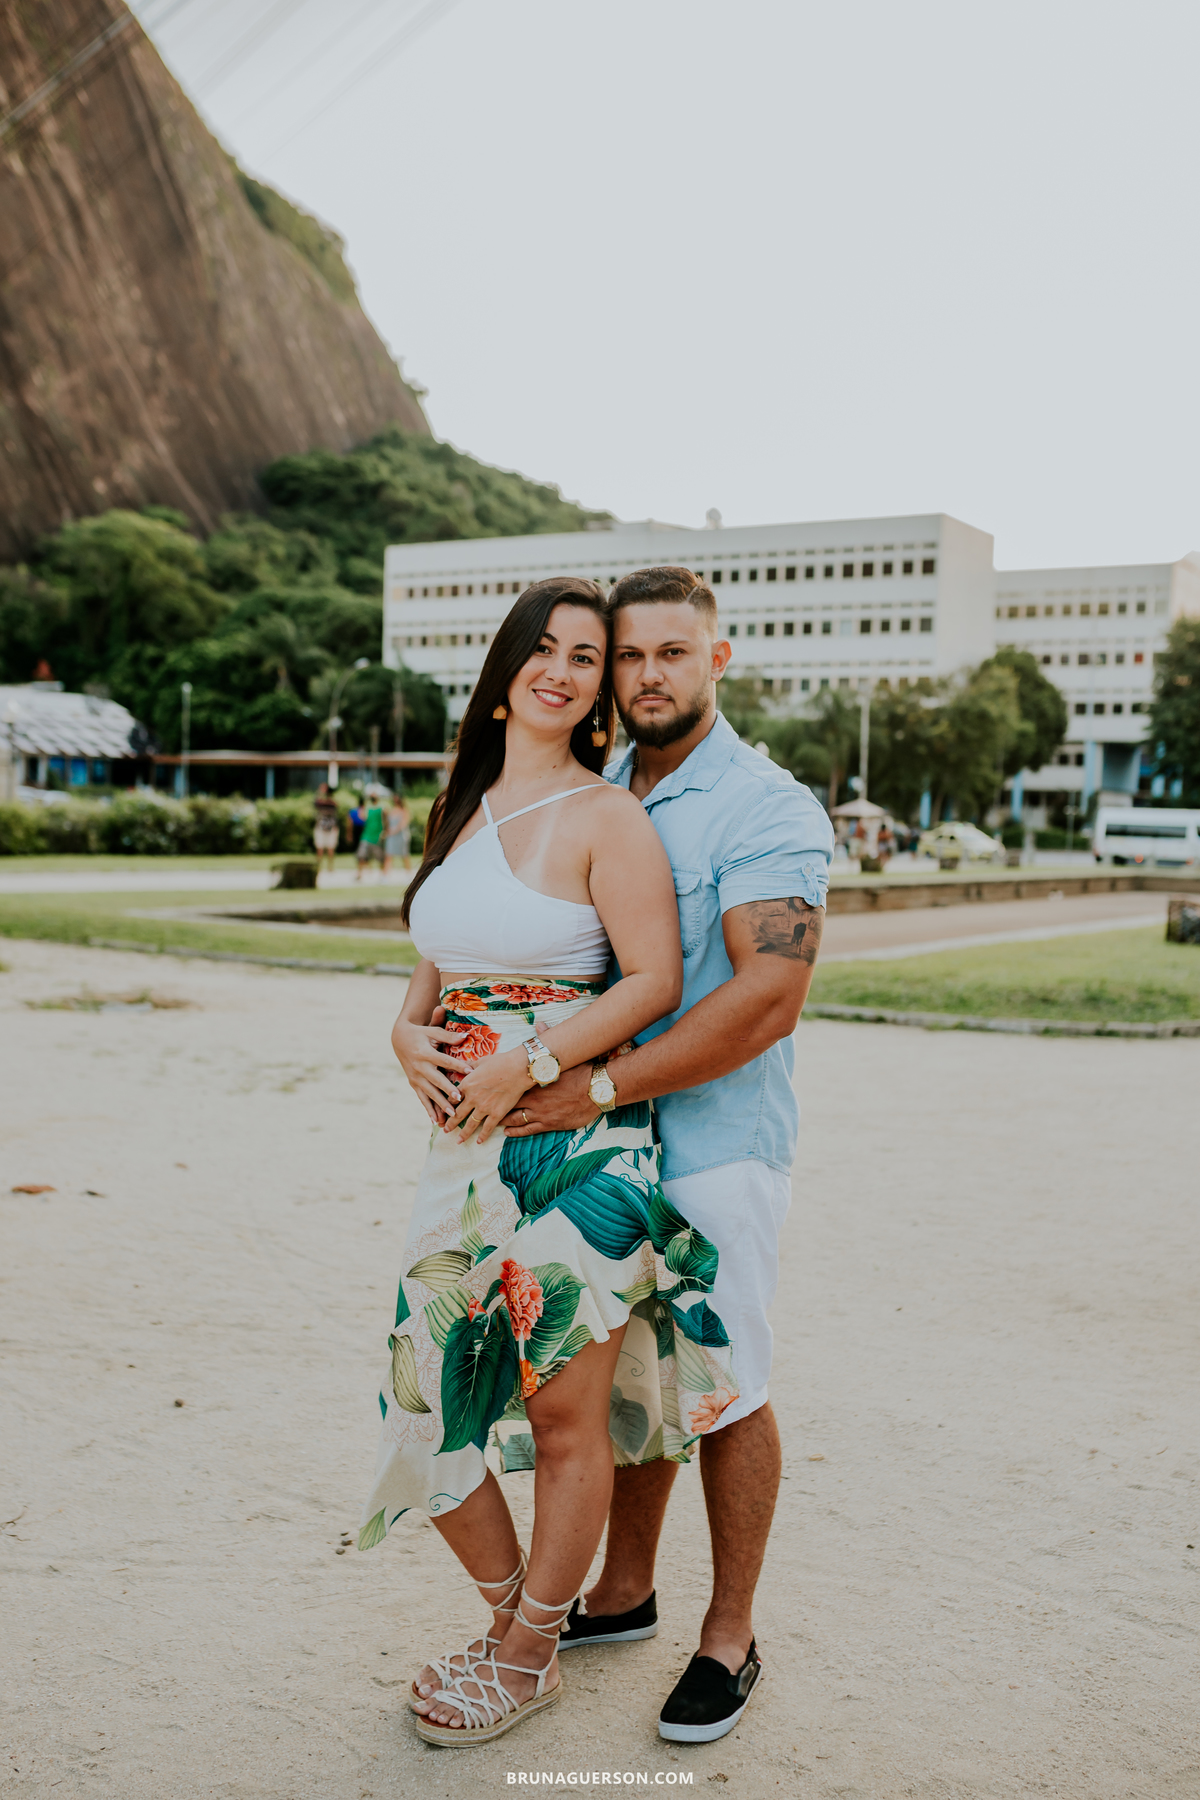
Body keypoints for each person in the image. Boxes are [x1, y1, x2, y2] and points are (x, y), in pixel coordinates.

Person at [362, 577, 738, 1748]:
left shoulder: (604, 816)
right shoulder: (461, 806)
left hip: (578, 1146)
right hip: (462, 1148)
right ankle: (511, 1617)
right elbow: (432, 975)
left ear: (596, 696)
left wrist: (525, 1061)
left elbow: (653, 983)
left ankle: (529, 1654)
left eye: (590, 657)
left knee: (564, 1416)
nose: (567, 670)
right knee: (419, 1405)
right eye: (548, 649)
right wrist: (401, 1033)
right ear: (506, 673)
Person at [501, 566, 833, 1744]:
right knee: (627, 1369)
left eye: (671, 655)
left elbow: (766, 1001)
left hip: (714, 1147)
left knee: (726, 1382)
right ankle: (625, 1590)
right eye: (627, 656)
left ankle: (729, 1637)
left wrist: (595, 1082)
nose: (646, 676)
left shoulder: (766, 806)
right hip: (601, 1156)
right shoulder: (599, 793)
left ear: (718, 659)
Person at [355, 790, 386, 881]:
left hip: (376, 837)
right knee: (361, 856)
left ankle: (382, 876)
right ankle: (359, 874)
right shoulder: (369, 808)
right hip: (367, 836)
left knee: (380, 858)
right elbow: (362, 817)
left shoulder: (381, 808)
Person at [312, 782, 339, 877]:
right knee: (320, 848)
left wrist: (320, 792)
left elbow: (317, 803)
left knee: (330, 848)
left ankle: (329, 868)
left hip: (330, 828)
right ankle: (319, 867)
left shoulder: (331, 803)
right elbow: (315, 803)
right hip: (321, 827)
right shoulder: (324, 802)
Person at [383, 791, 412, 876]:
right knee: (388, 855)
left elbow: (403, 824)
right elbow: (387, 823)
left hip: (401, 836)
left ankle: (409, 874)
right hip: (391, 836)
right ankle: (385, 875)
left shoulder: (404, 811)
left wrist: (393, 831)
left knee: (404, 856)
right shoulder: (391, 810)